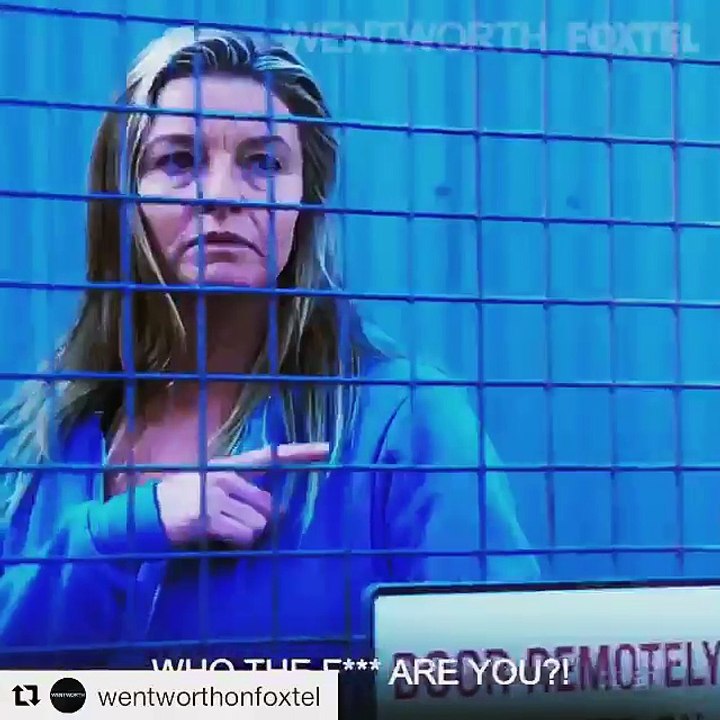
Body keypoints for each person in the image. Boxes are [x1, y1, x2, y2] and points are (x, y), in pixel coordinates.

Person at [0, 26, 539, 670]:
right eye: (179, 160)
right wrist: (127, 529)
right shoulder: (43, 431)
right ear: (124, 197)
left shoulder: (405, 421)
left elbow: (500, 674)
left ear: (305, 203)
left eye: (264, 164)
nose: (222, 194)